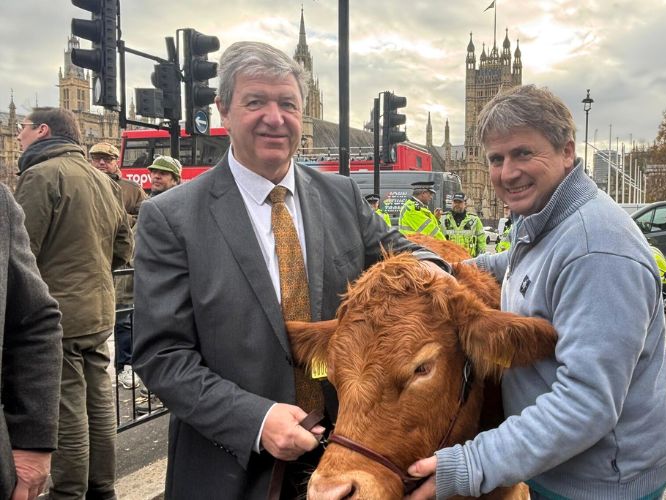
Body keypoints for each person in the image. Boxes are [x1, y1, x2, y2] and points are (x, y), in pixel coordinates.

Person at [131, 41, 446, 499]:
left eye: (288, 104)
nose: (274, 118)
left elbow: (406, 256)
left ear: (304, 112)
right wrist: (255, 420)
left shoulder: (342, 197)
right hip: (231, 469)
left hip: (347, 462)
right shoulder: (171, 217)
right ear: (224, 110)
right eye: (255, 101)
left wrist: (440, 275)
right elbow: (162, 355)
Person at [407, 85, 666, 499]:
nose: (507, 172)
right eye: (496, 159)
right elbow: (510, 264)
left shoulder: (597, 248)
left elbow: (586, 403)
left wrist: (471, 465)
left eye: (523, 153)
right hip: (558, 465)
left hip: (600, 483)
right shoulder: (546, 220)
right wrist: (439, 272)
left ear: (567, 152)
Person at [15, 107, 132, 500]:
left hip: (57, 315)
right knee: (99, 407)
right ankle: (103, 487)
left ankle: (68, 492)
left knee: (67, 412)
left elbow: (19, 255)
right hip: (99, 310)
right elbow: (123, 246)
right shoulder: (104, 181)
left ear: (43, 131)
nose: (18, 137)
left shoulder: (40, 176)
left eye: (24, 129)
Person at [0, 183, 64, 500]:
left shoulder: (7, 200)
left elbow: (32, 320)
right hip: (92, 307)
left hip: (74, 308)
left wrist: (32, 441)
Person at [89, 142, 147, 391]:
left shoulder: (131, 189)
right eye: (97, 159)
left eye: (106, 159)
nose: (101, 163)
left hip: (121, 263)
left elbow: (146, 216)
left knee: (124, 316)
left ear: (116, 161)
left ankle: (125, 366)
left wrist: (122, 221)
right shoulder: (85, 183)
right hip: (92, 262)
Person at [440, 193, 486, 257]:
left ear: (465, 204)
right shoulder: (442, 218)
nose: (457, 204)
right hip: (448, 261)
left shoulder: (474, 220)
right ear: (452, 203)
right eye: (455, 202)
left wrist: (480, 259)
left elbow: (482, 241)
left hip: (468, 261)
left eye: (460, 202)